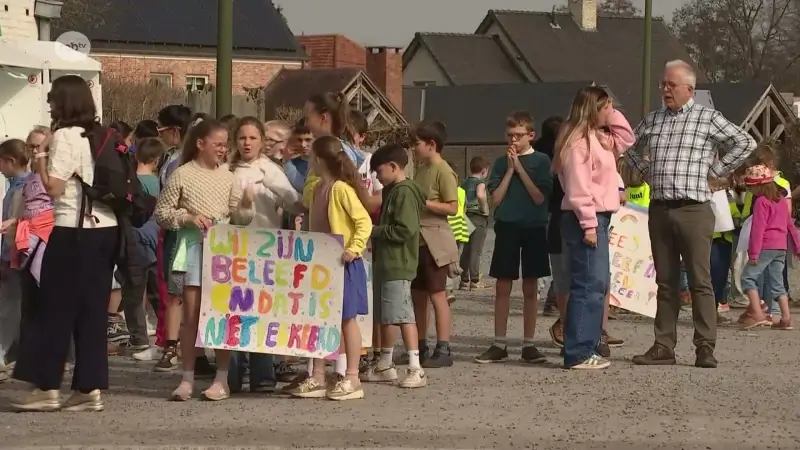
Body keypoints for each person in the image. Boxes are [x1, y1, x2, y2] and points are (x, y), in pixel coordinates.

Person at [626, 60, 756, 368]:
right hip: (660, 208)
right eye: (663, 84)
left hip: (694, 208)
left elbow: (745, 141)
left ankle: (705, 346)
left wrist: (715, 171)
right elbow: (627, 144)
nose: (665, 90)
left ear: (689, 89)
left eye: (671, 85)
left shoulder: (707, 117)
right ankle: (663, 345)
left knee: (700, 279)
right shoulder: (653, 119)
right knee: (666, 281)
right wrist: (646, 170)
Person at [11, 75, 120, 411]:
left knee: (53, 307)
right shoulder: (101, 134)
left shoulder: (65, 136)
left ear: (64, 102)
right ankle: (88, 390)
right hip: (106, 228)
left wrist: (41, 158)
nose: (49, 103)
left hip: (72, 228)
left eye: (53, 98)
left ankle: (46, 386)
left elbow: (54, 188)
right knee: (91, 311)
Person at [154, 119, 255, 401]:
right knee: (192, 316)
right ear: (201, 144)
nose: (224, 150)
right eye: (218, 144)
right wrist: (187, 217)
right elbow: (162, 212)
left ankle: (221, 379)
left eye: (225, 145)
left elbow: (241, 218)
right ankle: (187, 378)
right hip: (194, 248)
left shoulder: (228, 176)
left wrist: (247, 203)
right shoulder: (182, 175)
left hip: (222, 250)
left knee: (222, 315)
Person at [554, 86, 634, 370]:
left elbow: (627, 138)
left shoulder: (599, 138)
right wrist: (588, 224)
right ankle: (577, 351)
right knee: (588, 284)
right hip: (584, 219)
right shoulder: (577, 142)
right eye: (604, 109)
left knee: (597, 284)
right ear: (591, 109)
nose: (608, 114)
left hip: (598, 217)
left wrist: (612, 112)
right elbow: (578, 188)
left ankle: (585, 346)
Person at [289, 135, 370, 401]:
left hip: (343, 262)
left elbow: (363, 222)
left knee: (347, 320)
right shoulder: (318, 188)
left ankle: (353, 377)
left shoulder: (341, 189)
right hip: (321, 262)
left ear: (319, 160)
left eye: (312, 155)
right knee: (318, 318)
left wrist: (354, 248)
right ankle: (318, 376)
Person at [228, 116, 303, 393]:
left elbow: (294, 202)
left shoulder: (270, 170)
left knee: (261, 311)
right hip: (233, 251)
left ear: (262, 141)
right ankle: (232, 376)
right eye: (242, 138)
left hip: (265, 249)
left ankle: (262, 376)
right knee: (234, 312)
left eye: (252, 138)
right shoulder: (229, 169)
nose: (247, 143)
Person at [474, 112, 552, 365]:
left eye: (518, 136)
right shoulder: (499, 163)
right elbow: (495, 200)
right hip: (507, 226)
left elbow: (539, 197)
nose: (513, 141)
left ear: (531, 135)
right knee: (502, 286)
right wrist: (509, 170)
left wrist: (520, 168)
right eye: (509, 136)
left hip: (533, 227)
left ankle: (529, 343)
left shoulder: (542, 161)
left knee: (531, 286)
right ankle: (499, 343)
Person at [360, 143, 427, 388]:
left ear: (393, 167)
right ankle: (385, 364)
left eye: (378, 171)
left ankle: (415, 367)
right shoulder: (392, 191)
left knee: (402, 315)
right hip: (386, 262)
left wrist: (374, 231)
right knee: (387, 315)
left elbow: (406, 229)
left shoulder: (404, 192)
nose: (376, 176)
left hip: (398, 263)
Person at [411, 121, 459, 368]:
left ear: (431, 144)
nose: (414, 148)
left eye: (417, 143)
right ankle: (419, 345)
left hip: (435, 241)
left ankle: (444, 346)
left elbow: (452, 207)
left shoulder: (443, 171)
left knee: (438, 294)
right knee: (418, 295)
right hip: (417, 241)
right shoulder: (420, 170)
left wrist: (426, 204)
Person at [738, 164, 800, 330]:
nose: (751, 192)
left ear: (759, 185)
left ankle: (758, 314)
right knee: (777, 282)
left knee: (747, 278)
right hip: (781, 246)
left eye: (751, 188)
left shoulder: (761, 202)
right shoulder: (780, 200)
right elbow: (790, 225)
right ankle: (786, 318)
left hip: (765, 245)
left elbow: (758, 229)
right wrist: (797, 246)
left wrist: (754, 253)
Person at [119, 138, 164, 352]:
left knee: (133, 292)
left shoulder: (132, 182)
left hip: (134, 240)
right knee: (158, 292)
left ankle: (138, 336)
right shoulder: (158, 182)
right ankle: (168, 335)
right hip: (156, 240)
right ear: (156, 160)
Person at [0, 139, 31, 377]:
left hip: (16, 255)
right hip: (13, 254)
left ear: (10, 161)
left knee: (10, 305)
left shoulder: (21, 187)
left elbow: (16, 226)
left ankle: (4, 352)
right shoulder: (17, 185)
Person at [536, 117, 565, 319]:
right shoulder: (560, 151)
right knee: (561, 258)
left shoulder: (537, 152)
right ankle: (554, 299)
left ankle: (540, 293)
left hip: (539, 209)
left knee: (544, 257)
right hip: (559, 207)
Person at [459, 156, 490, 291]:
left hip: (465, 217)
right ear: (484, 171)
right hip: (478, 217)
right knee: (475, 251)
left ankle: (464, 279)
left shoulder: (464, 182)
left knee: (466, 249)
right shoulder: (481, 182)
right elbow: (480, 195)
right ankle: (475, 280)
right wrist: (484, 209)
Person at [284, 120, 313, 193]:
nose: (303, 145)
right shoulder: (291, 163)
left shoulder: (325, 164)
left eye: (308, 140)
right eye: (299, 140)